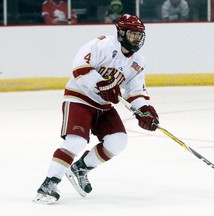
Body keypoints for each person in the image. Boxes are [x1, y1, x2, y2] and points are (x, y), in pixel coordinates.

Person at [33, 14, 159, 204]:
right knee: (75, 141)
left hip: (103, 106)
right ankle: (49, 183)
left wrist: (145, 110)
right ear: (121, 33)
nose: (136, 39)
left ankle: (81, 168)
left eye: (138, 35)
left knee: (118, 141)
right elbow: (80, 68)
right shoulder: (102, 45)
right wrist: (101, 85)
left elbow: (134, 91)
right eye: (132, 34)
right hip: (80, 98)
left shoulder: (138, 62)